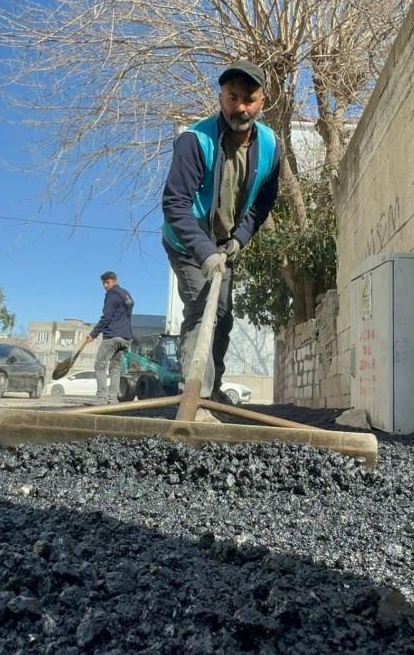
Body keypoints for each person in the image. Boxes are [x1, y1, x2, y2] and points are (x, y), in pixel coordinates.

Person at [161, 60, 282, 420]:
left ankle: (211, 396)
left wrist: (239, 239)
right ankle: (193, 399)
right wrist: (203, 252)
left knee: (223, 317)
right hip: (188, 243)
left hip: (225, 245)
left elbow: (265, 201)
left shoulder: (271, 146)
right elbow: (175, 203)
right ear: (221, 97)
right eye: (232, 97)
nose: (240, 107)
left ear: (262, 102)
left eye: (249, 99)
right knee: (202, 311)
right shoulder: (194, 141)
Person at [86, 270, 134, 404]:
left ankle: (101, 397)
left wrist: (93, 334)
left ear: (115, 281)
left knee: (100, 365)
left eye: (107, 282)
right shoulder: (126, 295)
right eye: (103, 283)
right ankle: (113, 399)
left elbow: (106, 317)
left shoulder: (112, 295)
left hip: (112, 337)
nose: (105, 286)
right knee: (115, 369)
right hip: (125, 338)